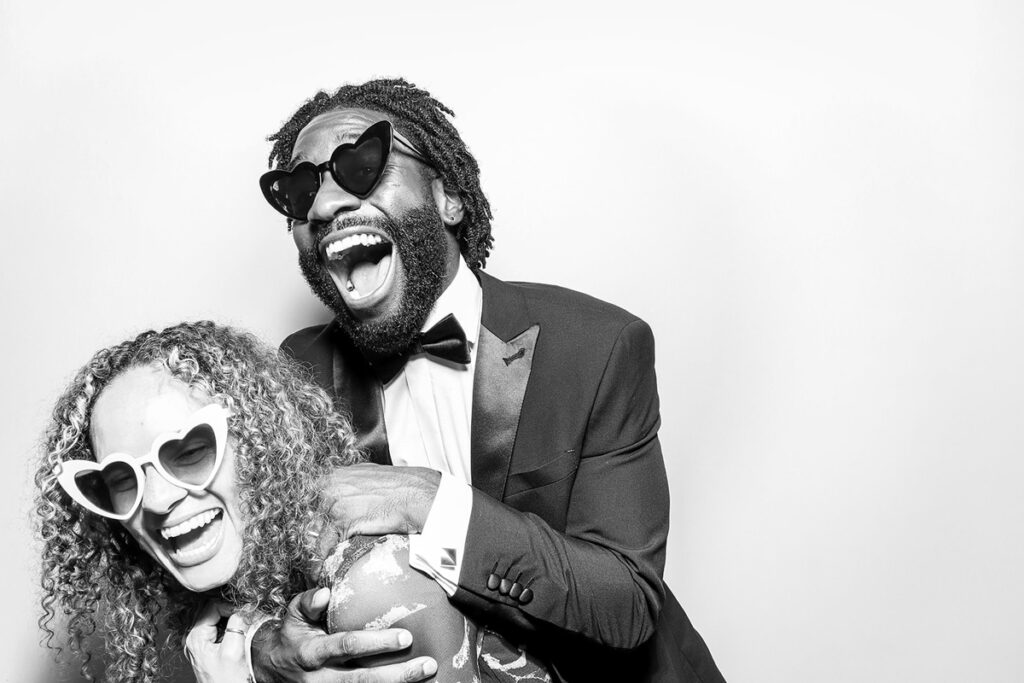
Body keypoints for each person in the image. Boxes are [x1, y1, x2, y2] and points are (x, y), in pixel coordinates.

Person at [248, 78, 726, 682]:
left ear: (448, 198)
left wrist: (431, 504)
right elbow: (257, 558)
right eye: (299, 189)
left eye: (362, 164)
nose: (321, 208)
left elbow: (626, 602)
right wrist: (264, 646)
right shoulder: (298, 372)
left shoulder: (596, 346)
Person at [34, 321, 552, 683]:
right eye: (119, 480)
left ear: (259, 442)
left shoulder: (373, 584)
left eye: (190, 450)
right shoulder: (246, 593)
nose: (160, 499)